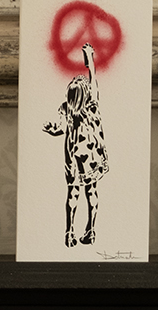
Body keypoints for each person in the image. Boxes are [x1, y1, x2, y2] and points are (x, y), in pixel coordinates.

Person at [43, 42, 109, 247]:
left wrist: (51, 130)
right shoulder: (93, 105)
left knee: (73, 192)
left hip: (74, 158)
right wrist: (89, 59)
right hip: (92, 158)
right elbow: (93, 77)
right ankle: (91, 230)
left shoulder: (66, 109)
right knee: (91, 191)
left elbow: (59, 129)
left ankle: (69, 232)